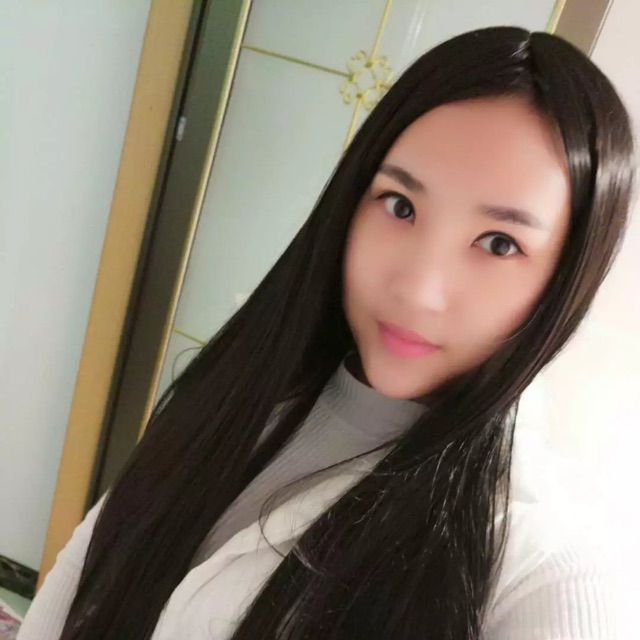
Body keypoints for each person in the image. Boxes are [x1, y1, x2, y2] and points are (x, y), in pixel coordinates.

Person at [18, 25, 634, 640]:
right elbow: (82, 577)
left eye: (499, 244)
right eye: (400, 206)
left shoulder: (545, 572)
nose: (418, 290)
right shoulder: (238, 394)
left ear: (565, 279)